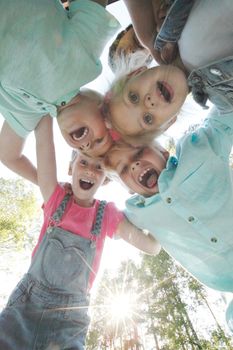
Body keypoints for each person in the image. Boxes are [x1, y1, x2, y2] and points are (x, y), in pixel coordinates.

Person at [0, 115, 158, 350]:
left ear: (105, 180)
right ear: (70, 167)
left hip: (68, 321)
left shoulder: (107, 215)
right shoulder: (55, 198)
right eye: (83, 162)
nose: (91, 171)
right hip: (25, 307)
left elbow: (152, 247)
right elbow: (44, 146)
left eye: (98, 168)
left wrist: (156, 199)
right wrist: (45, 112)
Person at [104, 106, 233, 331]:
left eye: (138, 152)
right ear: (127, 188)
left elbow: (223, 113)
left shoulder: (196, 150)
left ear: (163, 152)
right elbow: (98, 219)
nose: (134, 165)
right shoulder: (136, 213)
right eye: (124, 168)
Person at [0, 0, 120, 183]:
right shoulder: (84, 56)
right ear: (107, 108)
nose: (86, 145)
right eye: (99, 140)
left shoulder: (31, 112)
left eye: (83, 151)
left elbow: (9, 156)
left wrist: (53, 187)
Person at [105, 0, 233, 144]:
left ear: (136, 72)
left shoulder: (175, 30)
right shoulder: (225, 103)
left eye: (134, 97)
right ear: (169, 123)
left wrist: (148, 35)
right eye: (148, 119)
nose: (149, 103)